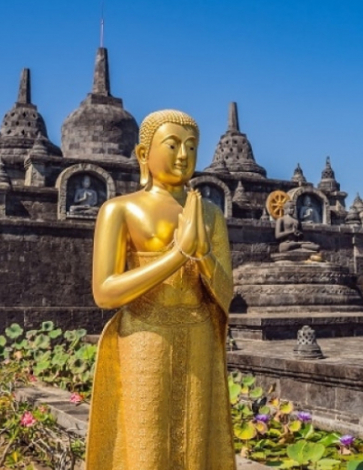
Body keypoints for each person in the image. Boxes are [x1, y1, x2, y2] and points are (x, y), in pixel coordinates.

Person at [86, 110, 236, 470]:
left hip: (199, 335)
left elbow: (227, 291)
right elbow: (105, 292)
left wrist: (202, 257)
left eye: (191, 147)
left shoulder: (210, 213)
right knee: (146, 444)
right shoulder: (119, 210)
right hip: (144, 337)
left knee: (196, 442)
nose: (183, 155)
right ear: (143, 155)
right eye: (172, 145)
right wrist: (177, 255)